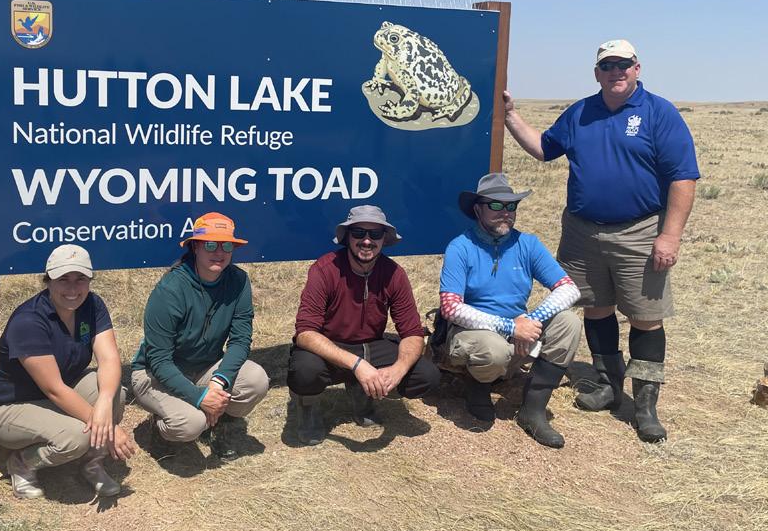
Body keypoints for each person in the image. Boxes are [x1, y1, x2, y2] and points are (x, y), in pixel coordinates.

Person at [503, 39, 699, 442]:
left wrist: (670, 235)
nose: (616, 72)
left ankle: (645, 406)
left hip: (639, 232)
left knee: (646, 317)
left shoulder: (659, 113)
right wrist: (510, 117)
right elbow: (544, 148)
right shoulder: (581, 112)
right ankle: (609, 385)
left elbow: (683, 177)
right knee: (595, 309)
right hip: (582, 231)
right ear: (597, 73)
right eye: (607, 66)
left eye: (623, 64)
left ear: (637, 68)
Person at [438, 173, 582, 448]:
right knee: (493, 350)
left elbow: (569, 289)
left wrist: (530, 322)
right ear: (477, 209)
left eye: (511, 205)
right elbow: (450, 307)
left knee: (569, 323)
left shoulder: (527, 244)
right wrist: (510, 327)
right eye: (495, 205)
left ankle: (533, 409)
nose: (505, 212)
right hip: (474, 333)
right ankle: (477, 388)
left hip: (519, 330)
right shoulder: (461, 247)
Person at [0, 244, 135, 499]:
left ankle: (91, 463)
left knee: (114, 395)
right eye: (63, 279)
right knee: (77, 437)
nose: (73, 289)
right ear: (48, 281)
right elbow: (54, 389)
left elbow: (109, 359)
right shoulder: (29, 321)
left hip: (61, 391)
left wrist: (104, 403)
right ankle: (22, 463)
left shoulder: (93, 305)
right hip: (12, 406)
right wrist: (107, 427)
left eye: (80, 279)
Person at [288, 205, 440, 445]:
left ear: (384, 239)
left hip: (371, 345)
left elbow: (412, 332)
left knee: (426, 375)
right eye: (358, 233)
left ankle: (362, 391)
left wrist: (398, 369)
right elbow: (305, 332)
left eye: (375, 234)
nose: (367, 241)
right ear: (347, 237)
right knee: (304, 371)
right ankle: (308, 407)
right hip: (331, 346)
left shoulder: (394, 273)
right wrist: (357, 365)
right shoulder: (324, 269)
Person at [130, 212, 269, 460]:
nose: (219, 252)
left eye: (227, 245)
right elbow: (159, 361)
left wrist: (218, 383)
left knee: (256, 380)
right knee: (190, 424)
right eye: (211, 245)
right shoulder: (170, 289)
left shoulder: (238, 281)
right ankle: (159, 431)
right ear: (195, 246)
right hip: (154, 374)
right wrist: (200, 397)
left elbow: (240, 340)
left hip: (205, 367)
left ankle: (219, 424)